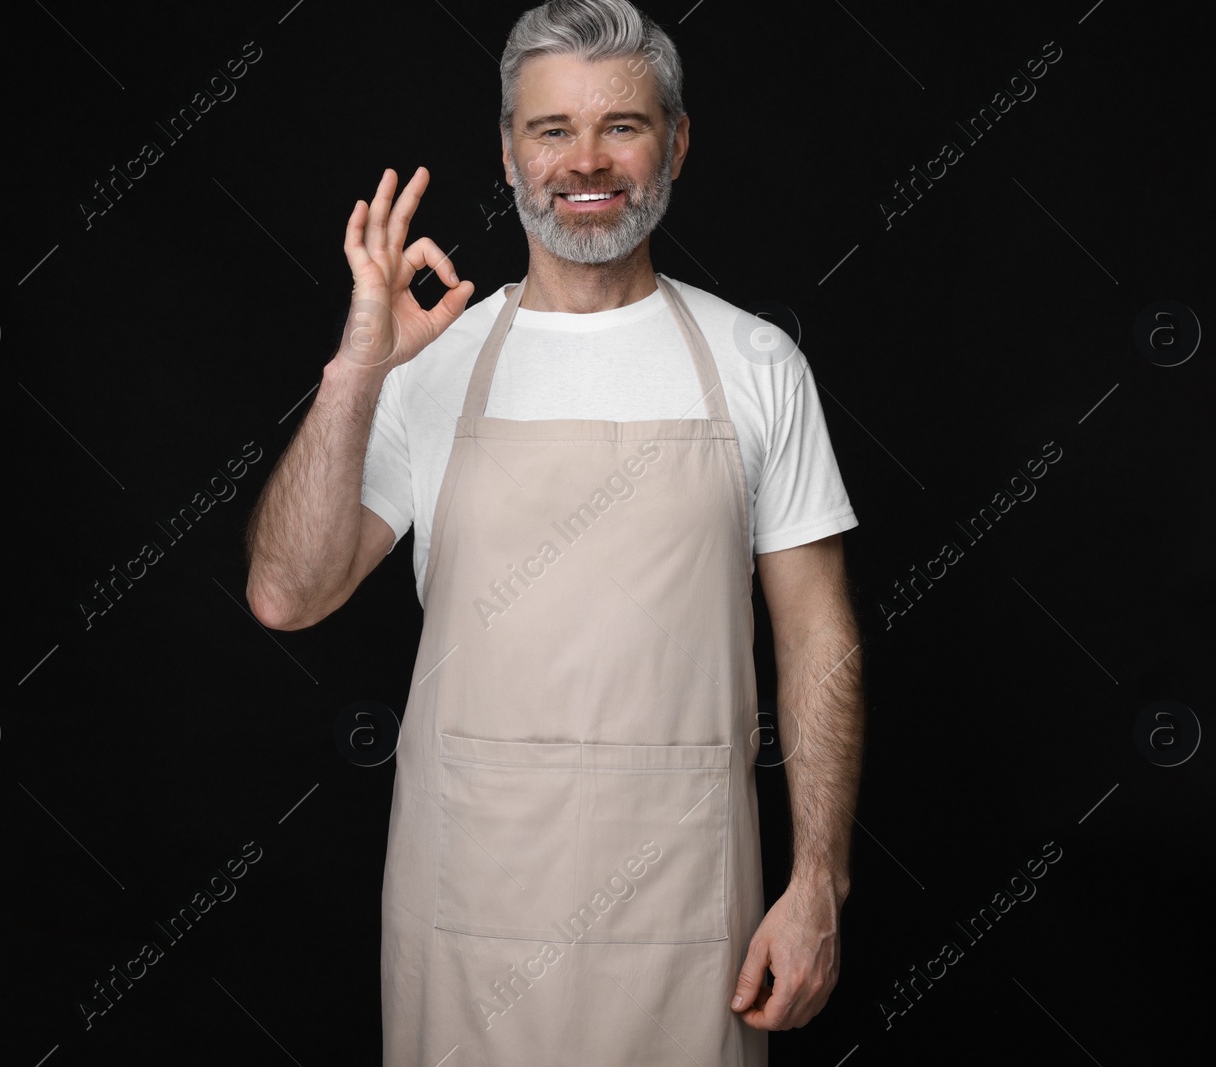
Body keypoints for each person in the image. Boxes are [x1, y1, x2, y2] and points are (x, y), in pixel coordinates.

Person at [244, 1, 864, 1061]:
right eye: (550, 129)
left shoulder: (759, 363)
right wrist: (357, 370)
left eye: (621, 124)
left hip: (687, 905)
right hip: (471, 904)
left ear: (674, 142)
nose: (587, 160)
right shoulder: (426, 363)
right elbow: (286, 594)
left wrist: (818, 882)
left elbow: (816, 636)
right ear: (507, 150)